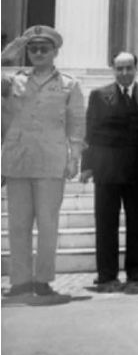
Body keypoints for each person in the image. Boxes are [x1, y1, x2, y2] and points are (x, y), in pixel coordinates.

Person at [0, 26, 85, 297]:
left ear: (55, 52)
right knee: (18, 224)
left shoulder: (69, 84)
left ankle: (43, 279)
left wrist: (74, 158)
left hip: (51, 159)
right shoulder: (13, 81)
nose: (38, 53)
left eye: (44, 49)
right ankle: (20, 280)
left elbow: (76, 123)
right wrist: (4, 57)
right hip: (18, 159)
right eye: (33, 49)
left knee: (48, 223)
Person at [81, 52, 138, 288]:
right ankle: (107, 272)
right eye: (119, 68)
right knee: (106, 223)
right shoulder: (98, 95)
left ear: (136, 69)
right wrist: (87, 166)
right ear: (113, 70)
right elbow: (90, 131)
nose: (124, 72)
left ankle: (136, 271)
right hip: (107, 170)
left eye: (129, 68)